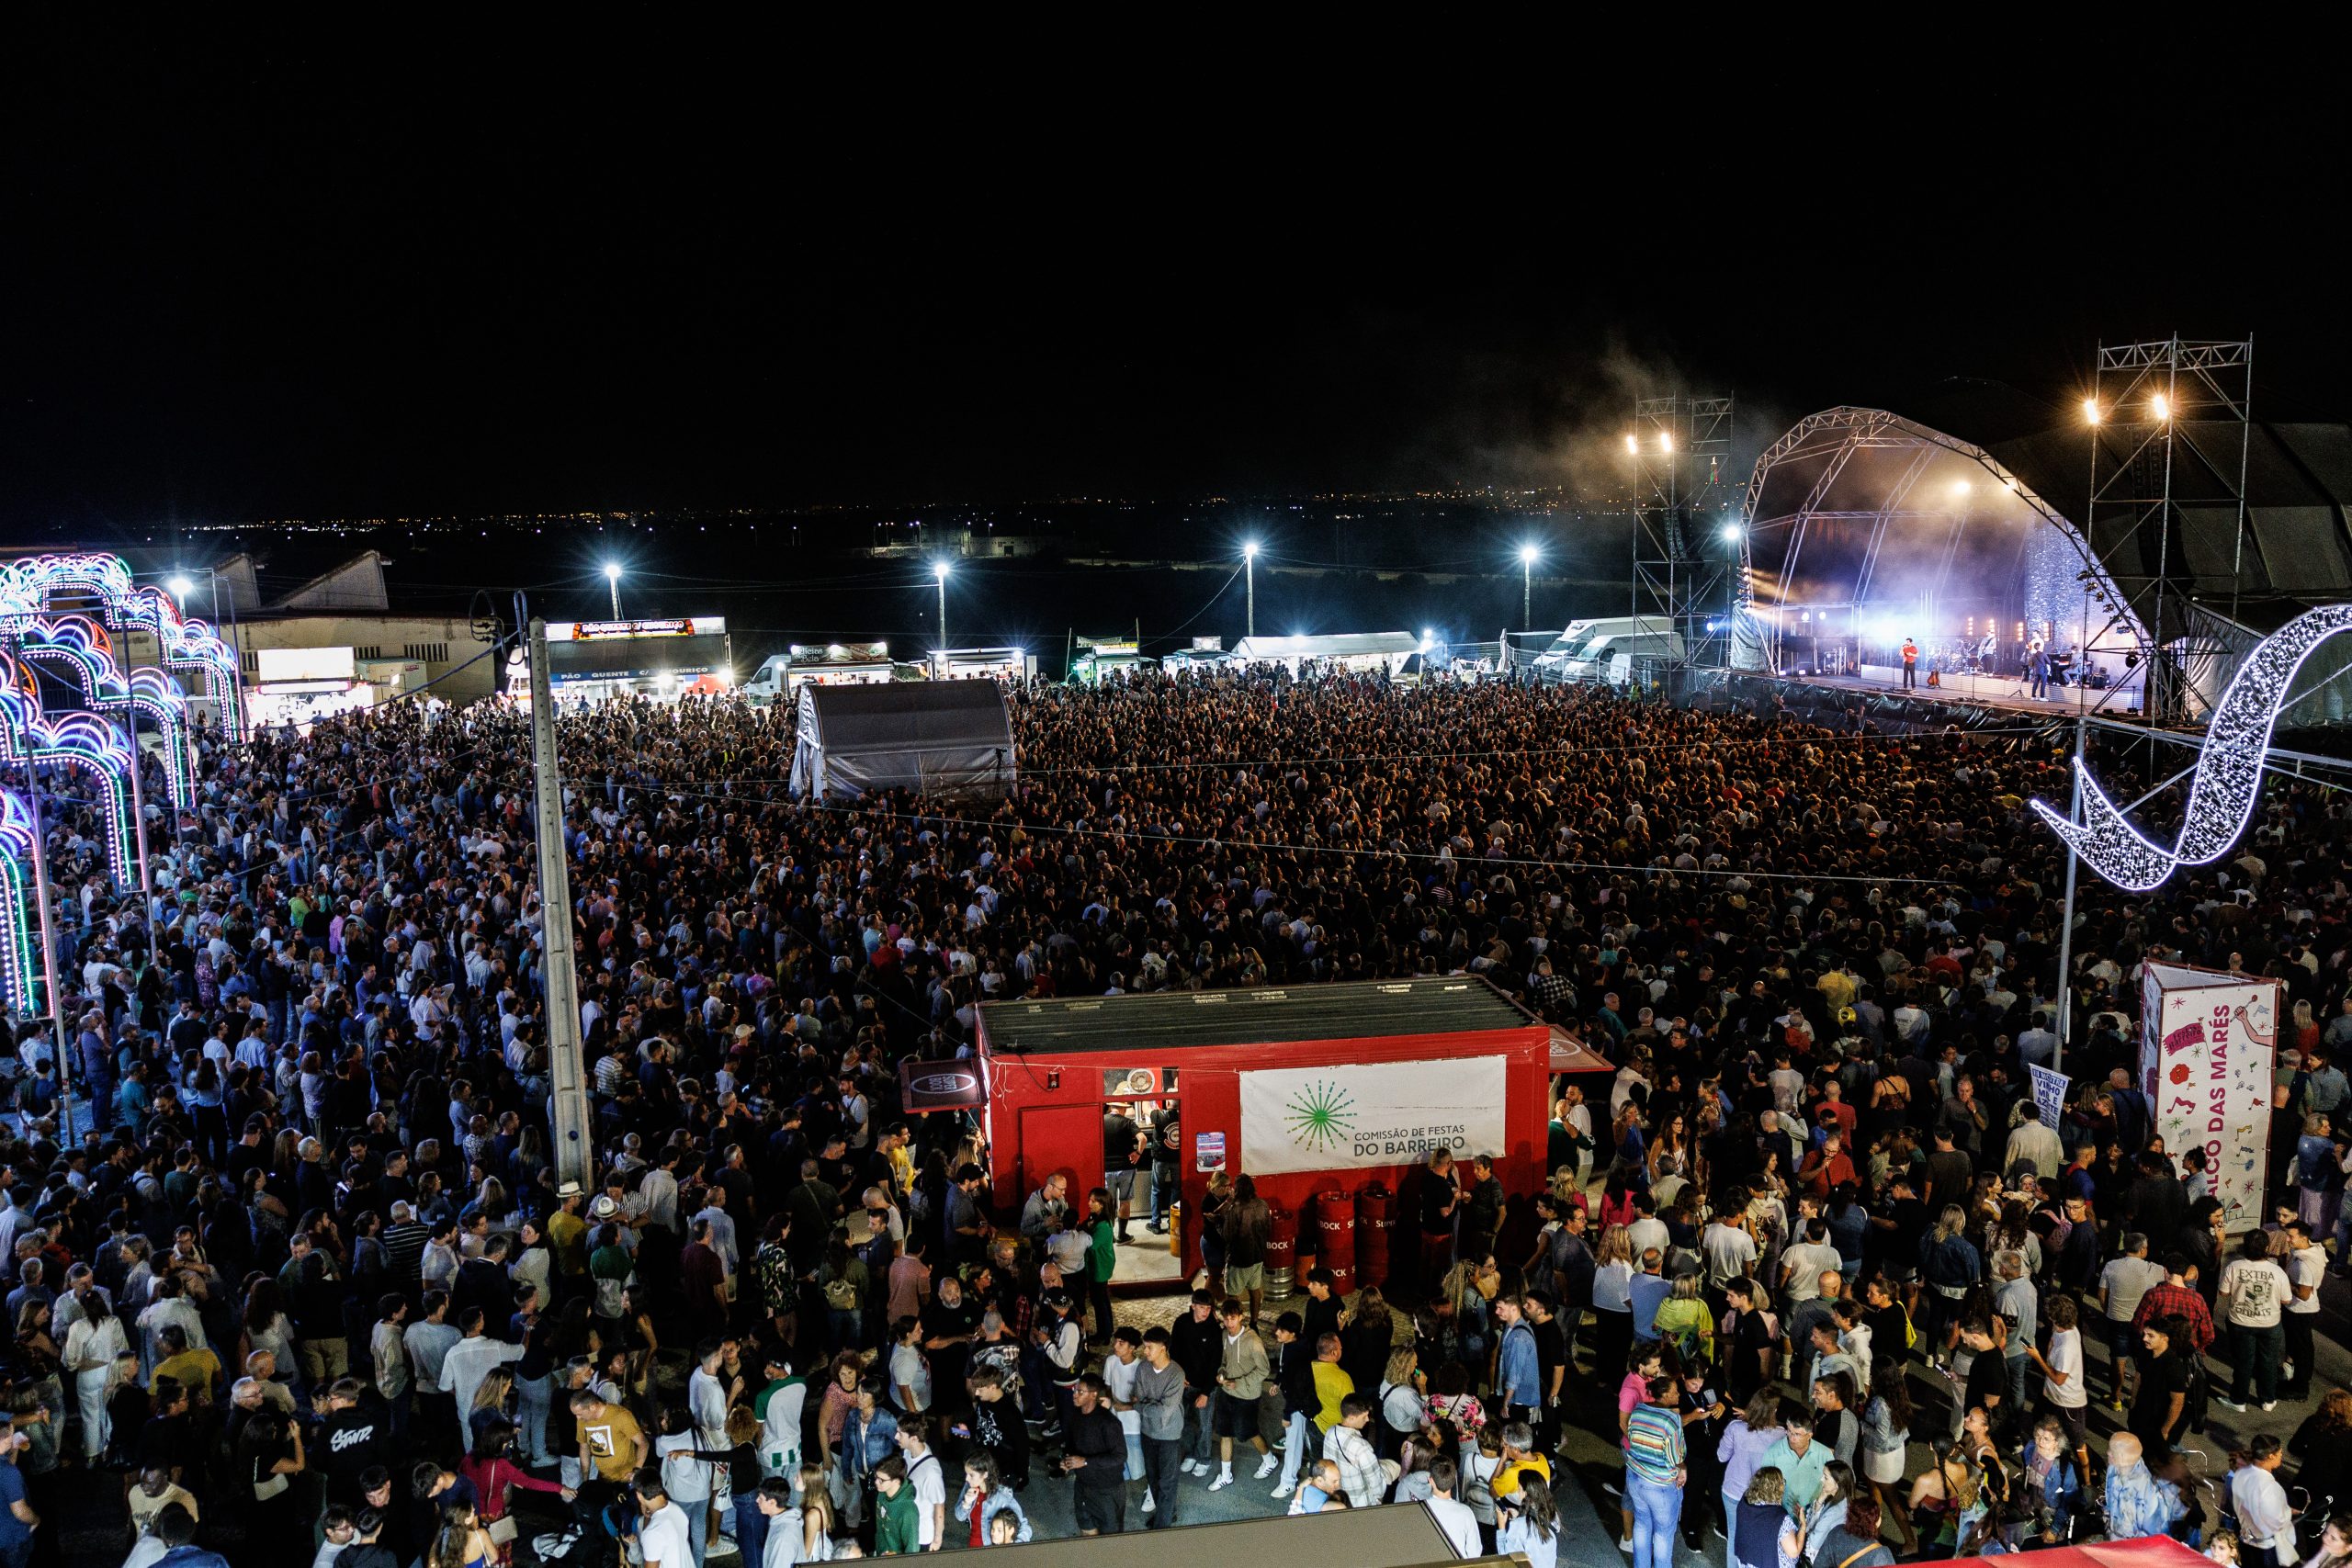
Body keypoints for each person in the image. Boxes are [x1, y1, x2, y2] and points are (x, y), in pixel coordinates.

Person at [2217, 1231, 2291, 1412]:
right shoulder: (2277, 1272)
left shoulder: (2234, 1267)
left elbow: (2223, 1292)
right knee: (2269, 1362)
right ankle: (2268, 1399)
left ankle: (2239, 1400)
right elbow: (2286, 1300)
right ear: (2266, 1248)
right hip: (2270, 1323)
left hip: (2240, 1322)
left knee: (2243, 1362)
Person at [1624, 1373, 1687, 1568]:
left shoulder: (1638, 1409)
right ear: (1666, 1395)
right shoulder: (1672, 1420)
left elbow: (1631, 1437)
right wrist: (1683, 1468)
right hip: (1660, 1486)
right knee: (1663, 1533)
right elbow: (1677, 1457)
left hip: (1635, 1478)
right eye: (1676, 1392)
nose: (1678, 1395)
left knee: (1642, 1523)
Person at [1059, 1373, 1128, 1537]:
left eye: (1080, 1392)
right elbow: (1071, 1444)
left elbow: (1120, 1456)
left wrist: (1085, 1462)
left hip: (1107, 1490)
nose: (1075, 1394)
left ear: (1093, 1394)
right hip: (1083, 1486)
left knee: (1110, 1538)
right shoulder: (1075, 1416)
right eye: (1075, 1390)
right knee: (1086, 1529)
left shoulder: (1108, 1423)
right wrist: (1067, 1460)